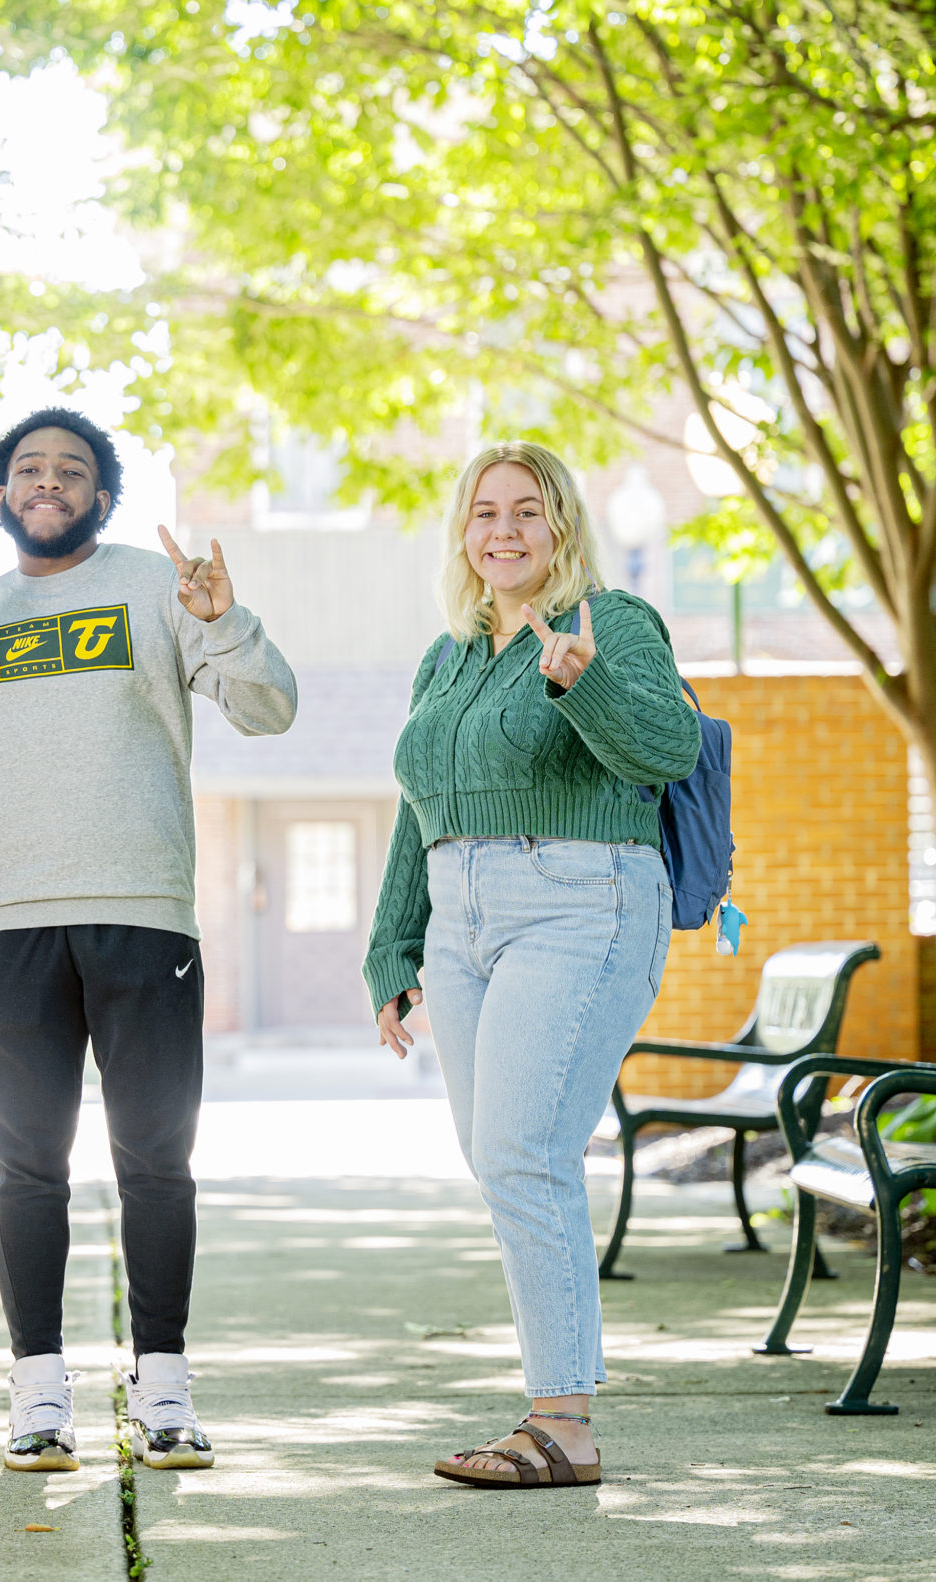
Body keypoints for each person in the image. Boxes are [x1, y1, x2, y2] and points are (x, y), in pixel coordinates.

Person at [0, 407, 297, 1473]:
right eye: (26, 469)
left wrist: (226, 620)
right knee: (25, 1169)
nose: (45, 481)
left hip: (144, 913)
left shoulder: (160, 591)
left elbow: (270, 708)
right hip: (15, 922)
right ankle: (38, 1392)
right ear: (1, 494)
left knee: (156, 1163)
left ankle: (166, 1391)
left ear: (100, 495)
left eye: (69, 469)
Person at [364, 442, 698, 1490]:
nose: (501, 529)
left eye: (525, 510)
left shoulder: (615, 621)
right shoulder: (449, 654)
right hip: (462, 920)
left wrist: (584, 684)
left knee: (521, 1149)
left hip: (578, 900)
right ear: (463, 534)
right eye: (483, 513)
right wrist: (392, 944)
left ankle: (564, 1419)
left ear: (561, 525)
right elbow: (418, 808)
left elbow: (667, 747)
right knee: (499, 1153)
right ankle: (556, 1408)